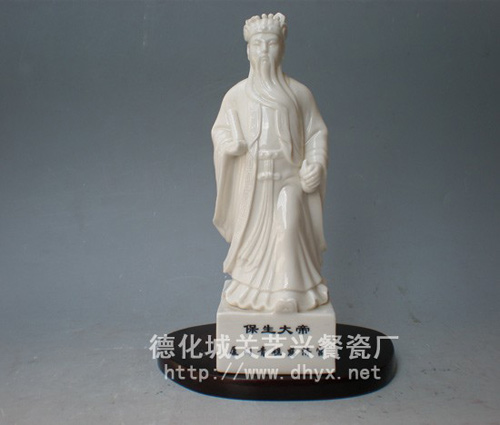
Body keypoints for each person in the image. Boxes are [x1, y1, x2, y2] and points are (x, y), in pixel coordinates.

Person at [212, 13, 329, 313]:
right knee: (254, 239)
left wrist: (315, 164)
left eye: (271, 43)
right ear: (248, 51)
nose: (264, 50)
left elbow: (316, 133)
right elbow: (220, 130)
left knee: (288, 222)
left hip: (289, 178)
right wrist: (229, 145)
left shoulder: (299, 94)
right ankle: (251, 286)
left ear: (282, 48)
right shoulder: (237, 95)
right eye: (257, 44)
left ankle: (289, 290)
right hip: (253, 183)